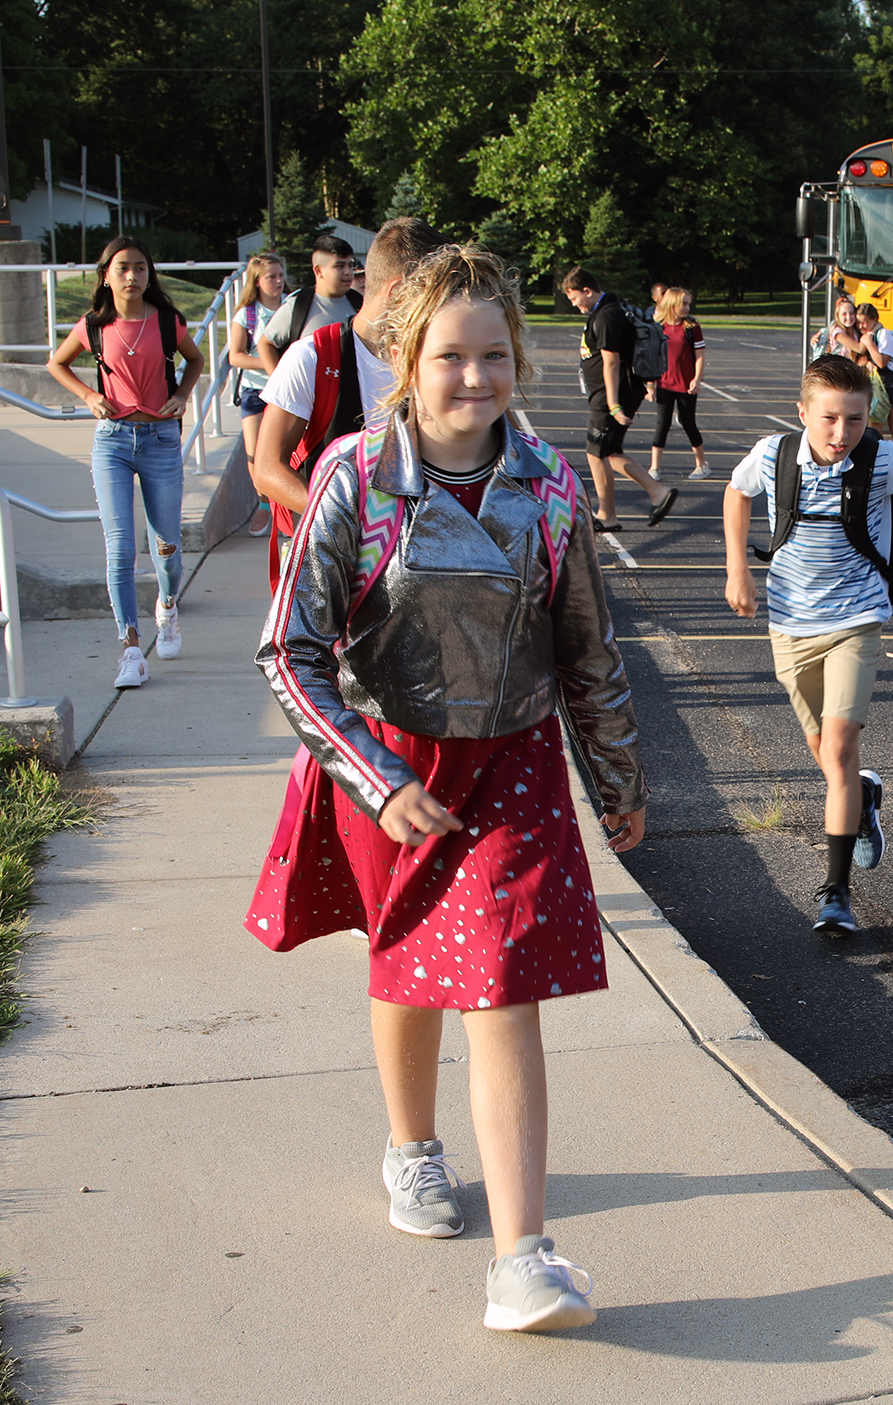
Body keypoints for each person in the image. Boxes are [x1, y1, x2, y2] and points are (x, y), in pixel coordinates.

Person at [254, 244, 645, 1334]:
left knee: (502, 981)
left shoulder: (553, 485)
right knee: (411, 966)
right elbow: (291, 653)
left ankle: (526, 1259)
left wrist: (616, 777)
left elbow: (588, 650)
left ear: (519, 357)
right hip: (391, 760)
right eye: (449, 357)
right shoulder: (352, 477)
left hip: (513, 759)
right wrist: (373, 779)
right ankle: (412, 1148)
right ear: (405, 360)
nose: (474, 378)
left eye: (494, 356)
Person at [721, 354, 893, 937]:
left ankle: (835, 892)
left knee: (842, 743)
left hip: (858, 618)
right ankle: (865, 799)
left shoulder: (880, 459)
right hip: (791, 624)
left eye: (854, 419)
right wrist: (737, 570)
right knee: (832, 760)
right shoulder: (774, 456)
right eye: (829, 419)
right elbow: (735, 493)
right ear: (803, 414)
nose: (841, 433)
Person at [45, 235, 206, 692]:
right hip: (112, 441)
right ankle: (131, 650)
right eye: (122, 268)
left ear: (148, 273)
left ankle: (168, 607)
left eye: (140, 267)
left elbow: (194, 360)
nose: (132, 276)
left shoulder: (166, 323)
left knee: (167, 547)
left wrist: (181, 395)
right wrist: (89, 396)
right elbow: (57, 364)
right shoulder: (94, 325)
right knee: (120, 547)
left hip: (159, 440)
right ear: (106, 276)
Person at [252, 216, 447, 587]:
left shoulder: (433, 356)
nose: (442, 308)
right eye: (435, 296)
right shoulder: (312, 356)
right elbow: (267, 468)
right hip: (333, 557)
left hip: (414, 561)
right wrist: (348, 518)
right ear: (399, 290)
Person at [562, 265, 677, 532]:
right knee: (609, 451)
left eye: (574, 298)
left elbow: (611, 362)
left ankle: (608, 515)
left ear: (587, 291)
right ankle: (657, 492)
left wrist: (613, 404)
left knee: (596, 451)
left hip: (612, 394)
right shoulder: (610, 310)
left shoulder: (607, 316)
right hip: (613, 392)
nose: (574, 305)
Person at [228, 252, 287, 537]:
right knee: (254, 456)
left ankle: (284, 509)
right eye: (270, 276)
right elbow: (235, 356)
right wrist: (268, 364)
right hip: (254, 390)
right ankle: (265, 504)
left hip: (286, 390)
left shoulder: (292, 307)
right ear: (257, 281)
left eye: (280, 274)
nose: (278, 281)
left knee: (286, 453)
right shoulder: (247, 314)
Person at [255, 233, 361, 377]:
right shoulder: (298, 305)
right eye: (340, 266)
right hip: (310, 397)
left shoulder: (360, 304)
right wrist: (282, 385)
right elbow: (266, 344)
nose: (348, 272)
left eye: (350, 265)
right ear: (319, 271)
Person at [648, 287, 708, 481]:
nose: (687, 307)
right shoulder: (658, 327)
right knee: (662, 424)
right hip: (664, 383)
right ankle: (654, 467)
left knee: (688, 422)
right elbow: (652, 357)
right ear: (672, 304)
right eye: (683, 303)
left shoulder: (691, 327)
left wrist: (697, 379)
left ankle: (702, 465)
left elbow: (700, 356)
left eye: (688, 303)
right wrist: (650, 385)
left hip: (686, 385)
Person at [854, 302, 893, 446]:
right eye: (859, 323)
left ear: (874, 320)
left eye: (865, 322)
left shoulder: (884, 334)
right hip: (878, 383)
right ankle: (876, 457)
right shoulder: (865, 335)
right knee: (875, 423)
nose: (861, 327)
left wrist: (869, 343)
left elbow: (882, 362)